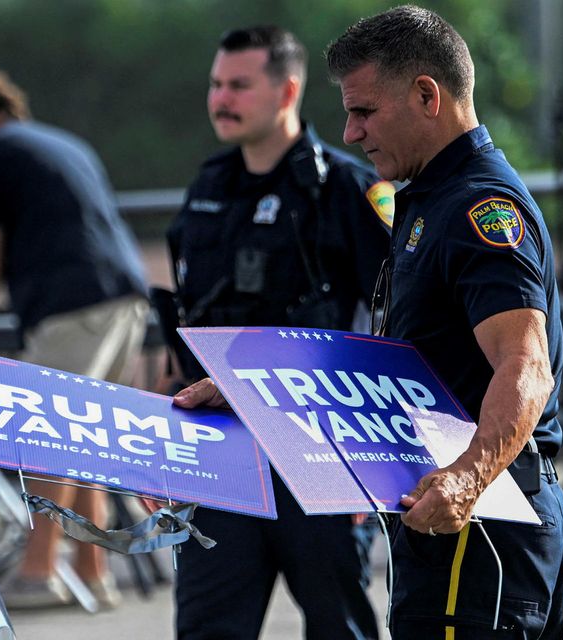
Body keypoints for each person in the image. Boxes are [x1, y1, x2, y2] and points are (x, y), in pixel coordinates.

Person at [176, 6, 563, 639]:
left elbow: (526, 368)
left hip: (477, 520)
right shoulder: (430, 196)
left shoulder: (480, 206)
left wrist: (467, 480)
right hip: (452, 515)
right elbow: (395, 361)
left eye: (364, 111)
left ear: (426, 95)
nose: (351, 130)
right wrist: (256, 387)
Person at [165, 26, 390, 640]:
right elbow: (182, 328)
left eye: (238, 85)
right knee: (207, 628)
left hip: (319, 448)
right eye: (215, 84)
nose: (220, 98)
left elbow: (393, 327)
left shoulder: (348, 189)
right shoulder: (207, 188)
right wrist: (161, 453)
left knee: (338, 626)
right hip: (220, 450)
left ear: (287, 89)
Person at [0, 65, 151, 610]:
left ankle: (36, 572)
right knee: (85, 442)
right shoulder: (59, 142)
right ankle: (92, 573)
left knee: (46, 436)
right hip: (124, 300)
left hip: (71, 307)